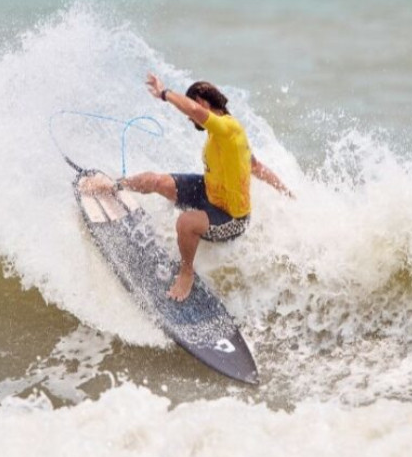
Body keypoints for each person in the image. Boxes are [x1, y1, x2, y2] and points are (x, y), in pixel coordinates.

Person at [85, 73, 291, 302]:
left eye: (193, 111)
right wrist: (286, 192)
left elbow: (193, 110)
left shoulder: (228, 129)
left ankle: (186, 272)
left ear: (203, 103)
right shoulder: (221, 133)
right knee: (157, 181)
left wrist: (164, 93)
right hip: (209, 190)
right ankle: (114, 185)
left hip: (231, 217)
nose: (189, 119)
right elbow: (256, 166)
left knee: (186, 223)